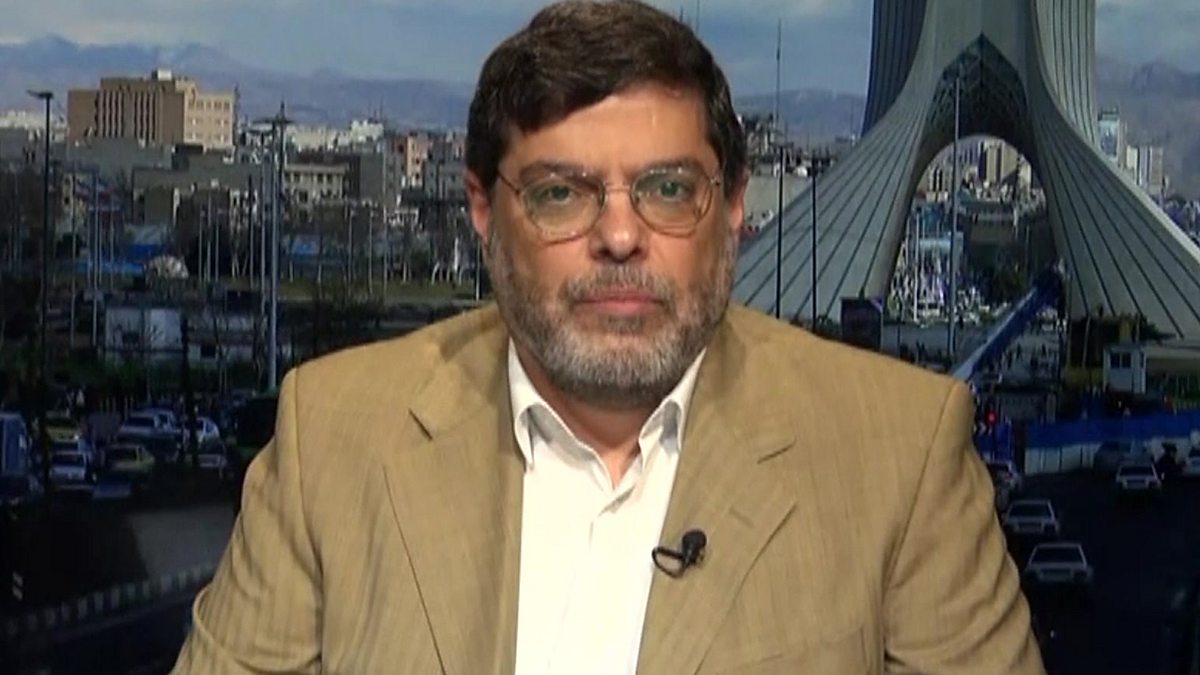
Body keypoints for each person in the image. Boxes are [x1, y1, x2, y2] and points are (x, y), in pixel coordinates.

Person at [172, 1, 1044, 673]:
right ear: (484, 210)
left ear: (733, 207)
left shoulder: (900, 455)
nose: (620, 236)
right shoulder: (334, 437)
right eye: (561, 193)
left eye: (667, 189)